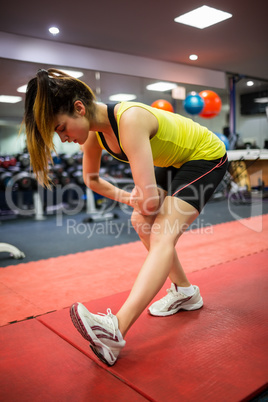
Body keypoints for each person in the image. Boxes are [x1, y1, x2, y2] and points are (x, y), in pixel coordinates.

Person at [24, 68, 228, 366]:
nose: (63, 137)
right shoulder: (95, 136)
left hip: (205, 154)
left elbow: (147, 199)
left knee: (161, 232)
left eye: (61, 128)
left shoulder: (129, 119)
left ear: (79, 108)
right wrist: (131, 198)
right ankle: (186, 292)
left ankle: (115, 329)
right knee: (141, 222)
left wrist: (145, 199)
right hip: (172, 159)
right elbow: (92, 180)